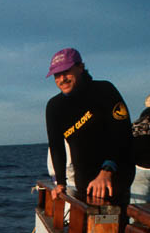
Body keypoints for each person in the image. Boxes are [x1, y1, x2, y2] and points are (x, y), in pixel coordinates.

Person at [45, 48, 135, 205]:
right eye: (57, 75)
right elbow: (56, 146)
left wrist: (107, 171)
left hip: (115, 171)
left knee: (112, 221)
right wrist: (60, 183)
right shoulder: (54, 106)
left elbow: (123, 133)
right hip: (84, 180)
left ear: (80, 67)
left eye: (66, 72)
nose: (62, 79)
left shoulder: (105, 90)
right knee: (87, 224)